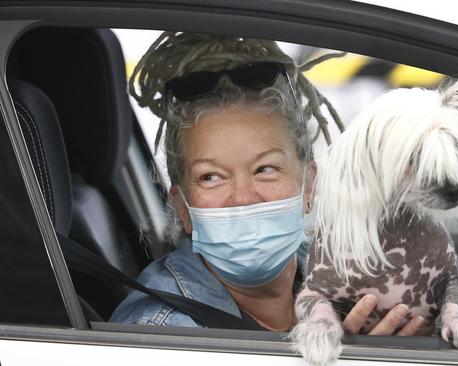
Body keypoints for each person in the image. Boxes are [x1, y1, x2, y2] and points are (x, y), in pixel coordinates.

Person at [110, 32, 424, 335]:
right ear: (183, 209)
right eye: (212, 176)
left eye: (265, 169)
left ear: (309, 186)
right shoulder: (161, 332)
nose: (243, 197)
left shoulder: (350, 282)